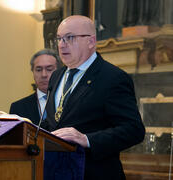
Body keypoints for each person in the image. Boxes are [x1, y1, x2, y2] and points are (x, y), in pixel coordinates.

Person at [43, 15, 145, 179]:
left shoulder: (112, 78)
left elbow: (134, 130)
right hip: (56, 172)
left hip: (94, 173)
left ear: (91, 41)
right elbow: (53, 122)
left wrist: (87, 139)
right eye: (59, 39)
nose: (62, 45)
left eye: (69, 38)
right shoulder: (56, 76)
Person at [9, 49, 62, 125]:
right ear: (33, 72)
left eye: (49, 69)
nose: (44, 75)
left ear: (60, 71)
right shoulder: (18, 107)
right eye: (38, 70)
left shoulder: (69, 101)